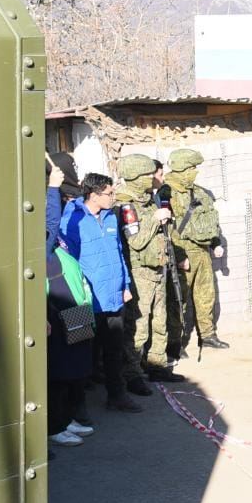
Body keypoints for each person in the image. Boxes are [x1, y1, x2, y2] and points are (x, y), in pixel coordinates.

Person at [59, 172, 141, 414]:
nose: (113, 197)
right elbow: (67, 262)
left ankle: (117, 396)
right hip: (83, 299)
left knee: (114, 351)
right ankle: (76, 407)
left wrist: (125, 285)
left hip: (113, 294)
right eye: (109, 193)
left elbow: (118, 252)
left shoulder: (111, 218)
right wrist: (74, 294)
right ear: (93, 195)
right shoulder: (70, 220)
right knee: (79, 353)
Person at [113, 154, 183, 385]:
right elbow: (136, 241)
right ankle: (132, 374)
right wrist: (155, 219)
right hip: (139, 272)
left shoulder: (148, 199)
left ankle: (157, 365)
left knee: (159, 321)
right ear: (134, 177)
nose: (152, 178)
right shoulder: (126, 204)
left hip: (158, 267)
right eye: (147, 174)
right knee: (139, 326)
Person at [45, 161, 94, 446]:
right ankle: (55, 425)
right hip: (58, 309)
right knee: (59, 373)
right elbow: (50, 222)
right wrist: (52, 189)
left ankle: (67, 418)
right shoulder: (42, 240)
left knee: (77, 368)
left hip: (77, 307)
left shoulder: (58, 236)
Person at [162, 149, 229, 352]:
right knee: (178, 300)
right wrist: (179, 256)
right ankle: (175, 342)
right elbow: (166, 230)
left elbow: (210, 221)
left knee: (206, 295)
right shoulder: (166, 193)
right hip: (183, 251)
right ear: (181, 169)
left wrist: (216, 243)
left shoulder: (199, 192)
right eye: (191, 168)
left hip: (202, 251)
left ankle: (208, 335)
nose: (195, 172)